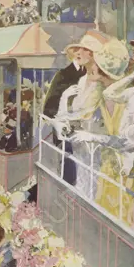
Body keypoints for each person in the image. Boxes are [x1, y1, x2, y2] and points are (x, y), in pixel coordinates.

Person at [43, 31, 102, 185]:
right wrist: (63, 103)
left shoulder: (96, 79)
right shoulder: (66, 76)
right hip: (68, 135)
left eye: (84, 49)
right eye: (77, 50)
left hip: (89, 141)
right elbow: (50, 109)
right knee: (69, 178)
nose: (78, 53)